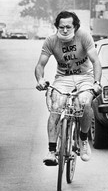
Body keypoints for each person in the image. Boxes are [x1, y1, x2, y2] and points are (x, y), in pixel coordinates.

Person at [34, 11, 102, 166]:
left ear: (75, 27)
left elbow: (96, 62)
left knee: (85, 103)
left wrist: (96, 82)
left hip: (85, 77)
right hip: (62, 79)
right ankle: (52, 151)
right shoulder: (51, 41)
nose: (64, 30)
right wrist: (40, 79)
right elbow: (40, 65)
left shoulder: (84, 36)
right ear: (57, 26)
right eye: (61, 27)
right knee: (56, 107)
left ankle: (83, 139)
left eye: (68, 27)